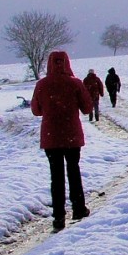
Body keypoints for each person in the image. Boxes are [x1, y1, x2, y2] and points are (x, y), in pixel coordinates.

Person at [30, 50, 93, 231]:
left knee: (55, 176)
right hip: (72, 135)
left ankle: (58, 216)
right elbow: (87, 108)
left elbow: (36, 110)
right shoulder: (75, 83)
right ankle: (78, 208)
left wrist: (50, 108)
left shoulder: (42, 85)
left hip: (51, 137)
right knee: (73, 171)